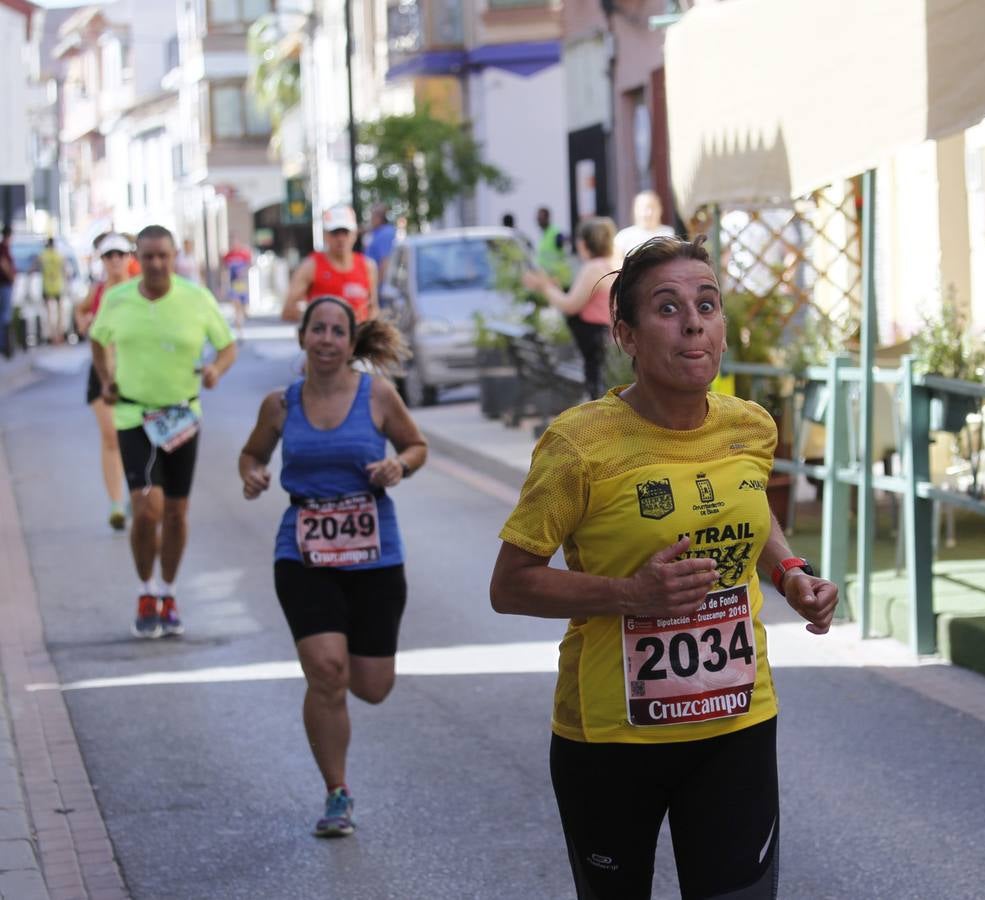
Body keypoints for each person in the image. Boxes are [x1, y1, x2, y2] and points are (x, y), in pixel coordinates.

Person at [490, 235, 838, 900]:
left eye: (706, 305)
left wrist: (791, 571)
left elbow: (748, 513)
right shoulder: (578, 444)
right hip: (610, 738)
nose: (693, 322)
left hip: (735, 722)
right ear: (625, 333)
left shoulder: (750, 427)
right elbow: (509, 585)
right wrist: (629, 593)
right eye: (668, 308)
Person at [238, 296, 427, 837]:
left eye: (336, 331)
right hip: (303, 552)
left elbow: (417, 445)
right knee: (327, 671)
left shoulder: (378, 395)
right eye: (316, 329)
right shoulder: (281, 404)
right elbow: (251, 455)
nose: (325, 339)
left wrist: (399, 465)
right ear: (302, 337)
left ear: (350, 342)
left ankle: (338, 770)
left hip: (374, 555)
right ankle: (336, 792)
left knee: (372, 686)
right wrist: (252, 475)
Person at [89, 225, 238, 639]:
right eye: (148, 256)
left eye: (163, 256)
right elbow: (97, 341)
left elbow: (227, 346)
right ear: (139, 257)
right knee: (146, 508)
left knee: (175, 513)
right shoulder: (118, 300)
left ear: (174, 257)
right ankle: (145, 589)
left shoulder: (196, 298)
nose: (156, 264)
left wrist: (215, 370)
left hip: (181, 417)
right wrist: (106, 378)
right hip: (134, 415)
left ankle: (168, 593)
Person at [523, 216, 621, 400]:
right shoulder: (612, 263)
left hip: (598, 342)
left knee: (597, 391)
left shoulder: (593, 268)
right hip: (607, 342)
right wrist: (551, 286)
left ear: (583, 244)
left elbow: (570, 306)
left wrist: (544, 287)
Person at [75, 233, 135, 531]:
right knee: (110, 436)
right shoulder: (98, 292)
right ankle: (116, 503)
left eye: (119, 255)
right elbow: (80, 310)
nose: (114, 261)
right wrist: (83, 323)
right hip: (102, 373)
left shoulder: (140, 290)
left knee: (134, 436)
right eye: (108, 256)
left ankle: (136, 494)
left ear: (128, 258)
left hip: (135, 372)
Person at [283, 205, 379, 324]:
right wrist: (323, 317)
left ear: (354, 234)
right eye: (335, 232)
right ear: (325, 235)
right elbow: (288, 310)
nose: (340, 238)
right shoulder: (311, 266)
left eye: (345, 232)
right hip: (325, 340)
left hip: (358, 339)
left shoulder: (367, 266)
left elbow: (373, 309)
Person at [614, 190, 675, 258]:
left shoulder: (671, 234)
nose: (649, 213)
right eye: (644, 208)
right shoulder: (623, 237)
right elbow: (616, 264)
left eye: (653, 207)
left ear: (660, 209)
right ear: (635, 210)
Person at [37, 237, 69, 345]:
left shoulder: (43, 255)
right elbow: (65, 271)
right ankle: (60, 335)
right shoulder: (59, 255)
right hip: (58, 286)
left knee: (50, 313)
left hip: (47, 287)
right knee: (60, 313)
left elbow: (36, 268)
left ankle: (53, 335)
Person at [533, 206, 571, 289]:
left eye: (540, 218)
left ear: (547, 218)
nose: (538, 221)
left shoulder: (555, 232)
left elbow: (565, 241)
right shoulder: (544, 233)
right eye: (538, 218)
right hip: (548, 278)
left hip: (558, 278)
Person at [220, 236, 252, 333]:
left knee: (243, 308)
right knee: (236, 306)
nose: (234, 245)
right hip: (233, 284)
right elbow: (224, 271)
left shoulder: (244, 254)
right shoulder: (227, 256)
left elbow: (250, 265)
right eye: (232, 243)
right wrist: (223, 285)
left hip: (243, 284)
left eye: (236, 242)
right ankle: (239, 327)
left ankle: (243, 316)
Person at [363, 204, 397, 281]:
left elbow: (385, 262)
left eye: (372, 216)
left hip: (378, 284)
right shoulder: (377, 231)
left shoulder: (385, 233)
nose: (370, 219)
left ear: (379, 218)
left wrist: (375, 284)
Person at [0, 226, 14, 358]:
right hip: (4, 285)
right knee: (5, 316)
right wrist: (11, 276)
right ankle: (4, 346)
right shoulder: (3, 248)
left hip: (4, 285)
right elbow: (3, 264)